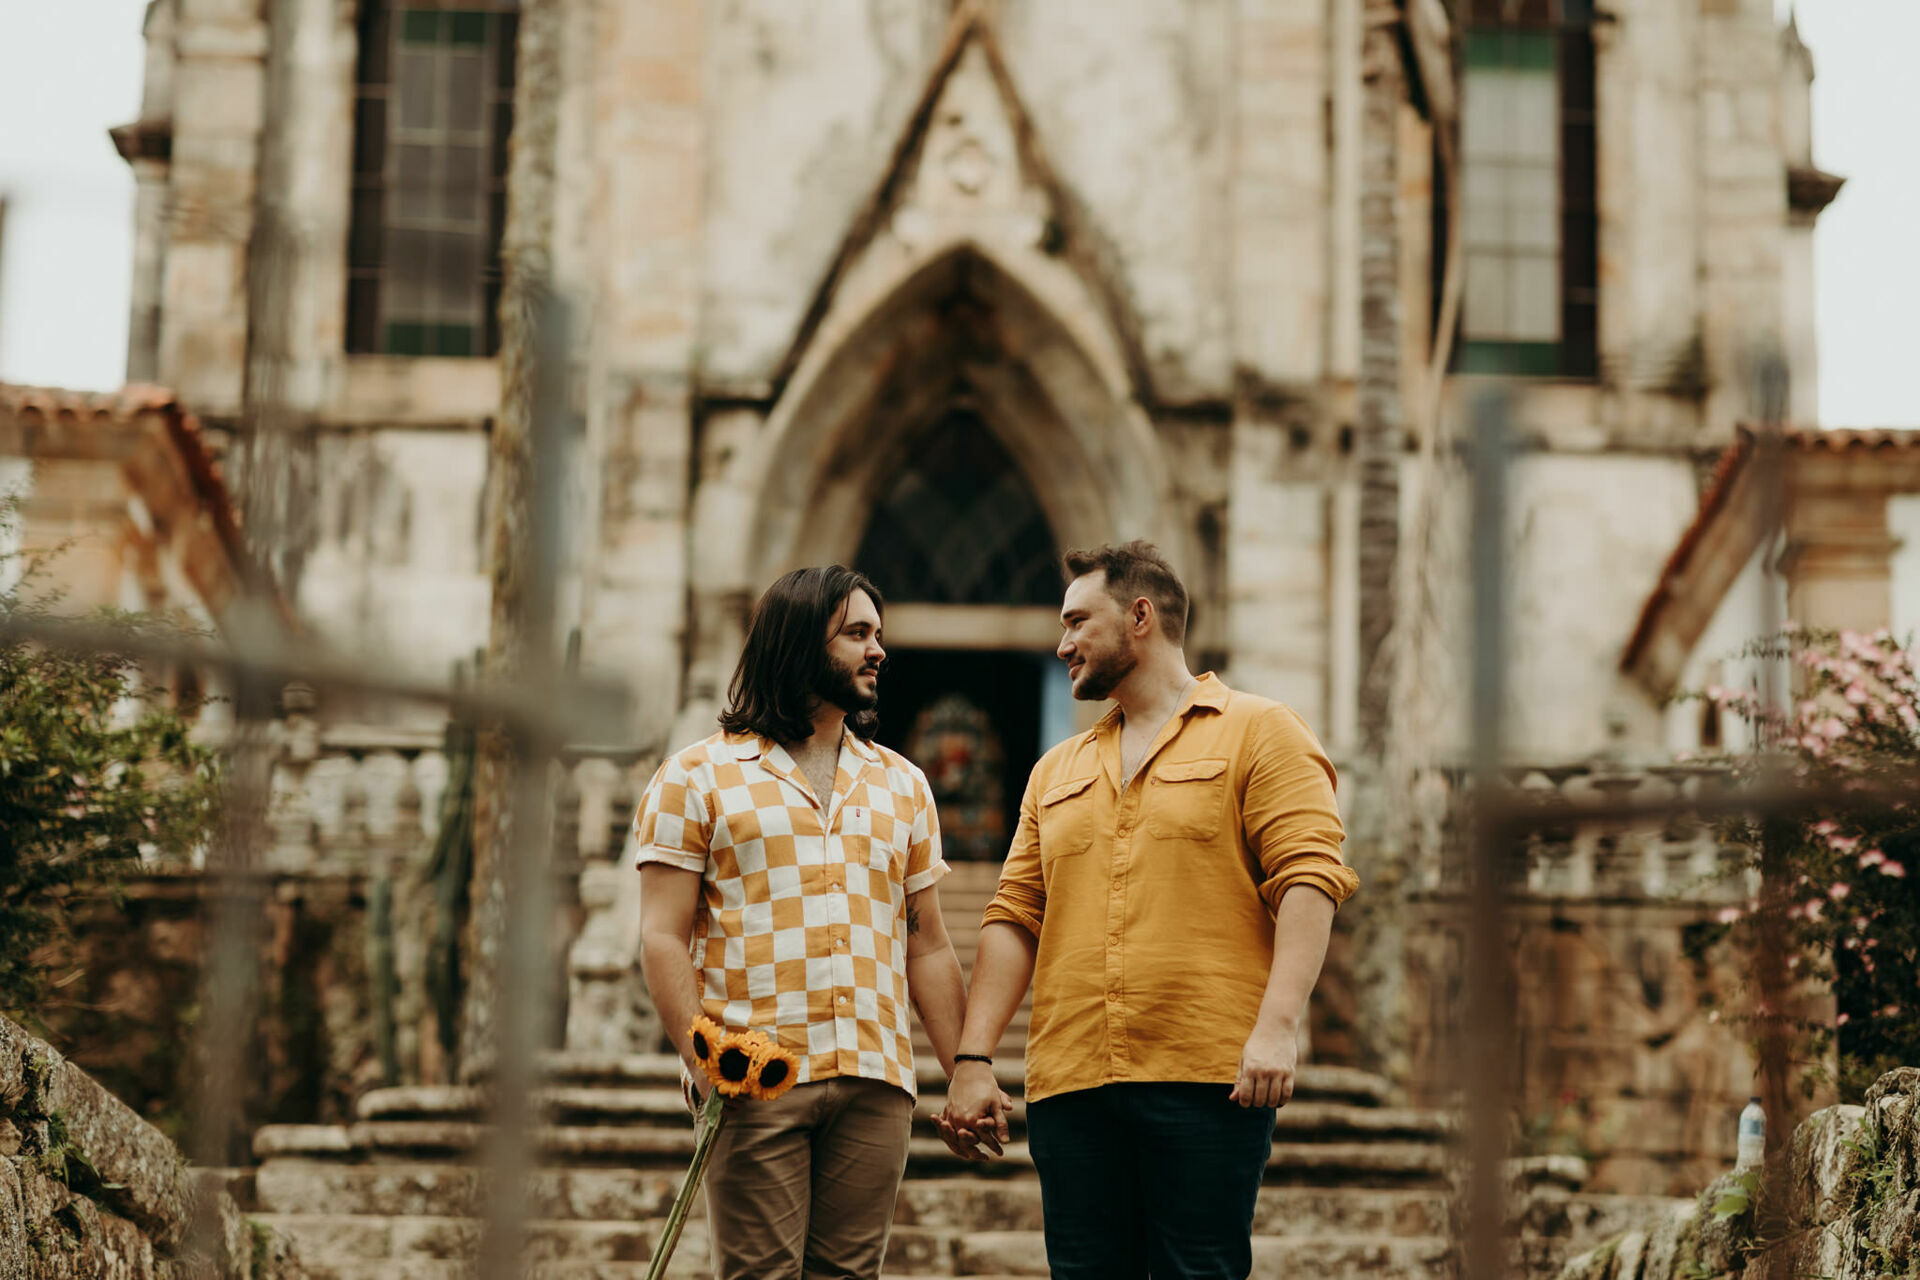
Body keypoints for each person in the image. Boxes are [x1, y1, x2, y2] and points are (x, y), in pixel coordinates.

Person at [941, 541, 1360, 1280]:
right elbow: (1014, 915)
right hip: (1071, 1081)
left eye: (1078, 621)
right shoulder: (1055, 770)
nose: (1062, 642)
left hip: (1207, 1075)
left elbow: (1309, 877)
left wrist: (1277, 1027)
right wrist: (973, 1060)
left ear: (1140, 616)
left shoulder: (1262, 731)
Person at [633, 565, 973, 1280]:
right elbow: (662, 935)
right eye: (856, 634)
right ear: (797, 645)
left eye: (878, 634)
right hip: (756, 1078)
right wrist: (705, 1063)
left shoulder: (904, 785)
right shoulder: (695, 777)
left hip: (877, 1078)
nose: (877, 650)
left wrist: (964, 1070)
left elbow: (929, 944)